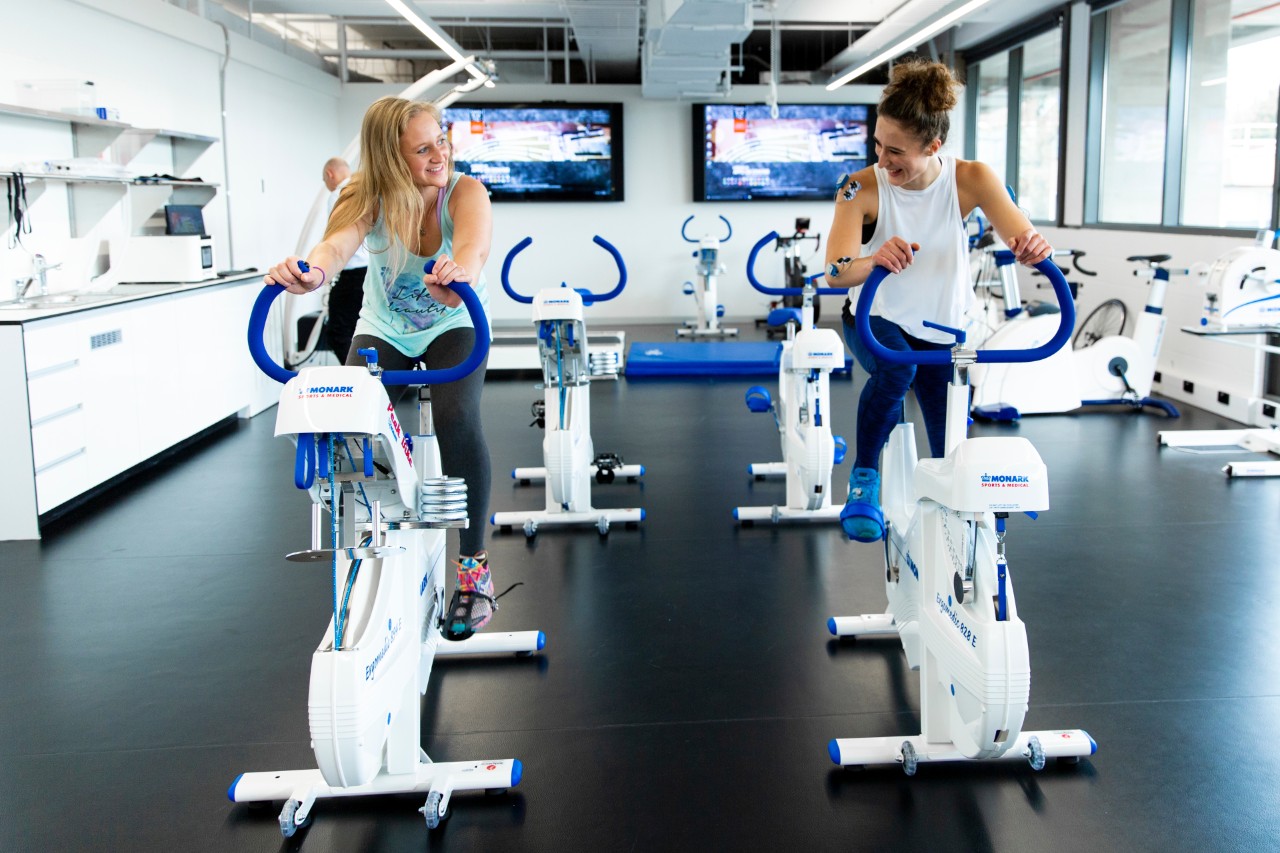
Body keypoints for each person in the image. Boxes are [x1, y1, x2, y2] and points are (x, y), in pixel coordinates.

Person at [266, 96, 498, 640]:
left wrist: (456, 272)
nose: (440, 154)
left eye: (441, 139)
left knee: (457, 416)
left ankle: (474, 571)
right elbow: (335, 245)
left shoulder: (464, 191)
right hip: (385, 325)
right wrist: (309, 273)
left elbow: (473, 246)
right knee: (353, 421)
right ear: (391, 158)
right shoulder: (364, 193)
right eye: (423, 149)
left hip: (455, 319)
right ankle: (374, 535)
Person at [824, 59, 1052, 543]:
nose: (883, 162)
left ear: (934, 146)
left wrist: (1032, 247)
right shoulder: (858, 187)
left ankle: (959, 526)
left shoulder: (972, 178)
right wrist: (875, 259)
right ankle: (864, 479)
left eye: (897, 152)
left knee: (950, 439)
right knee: (898, 367)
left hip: (943, 326)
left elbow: (1022, 237)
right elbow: (835, 270)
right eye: (878, 147)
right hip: (876, 318)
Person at [320, 156, 369, 364]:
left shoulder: (339, 193)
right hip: (370, 271)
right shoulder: (365, 188)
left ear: (330, 174)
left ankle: (357, 377)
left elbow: (335, 241)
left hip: (352, 272)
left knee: (337, 331)